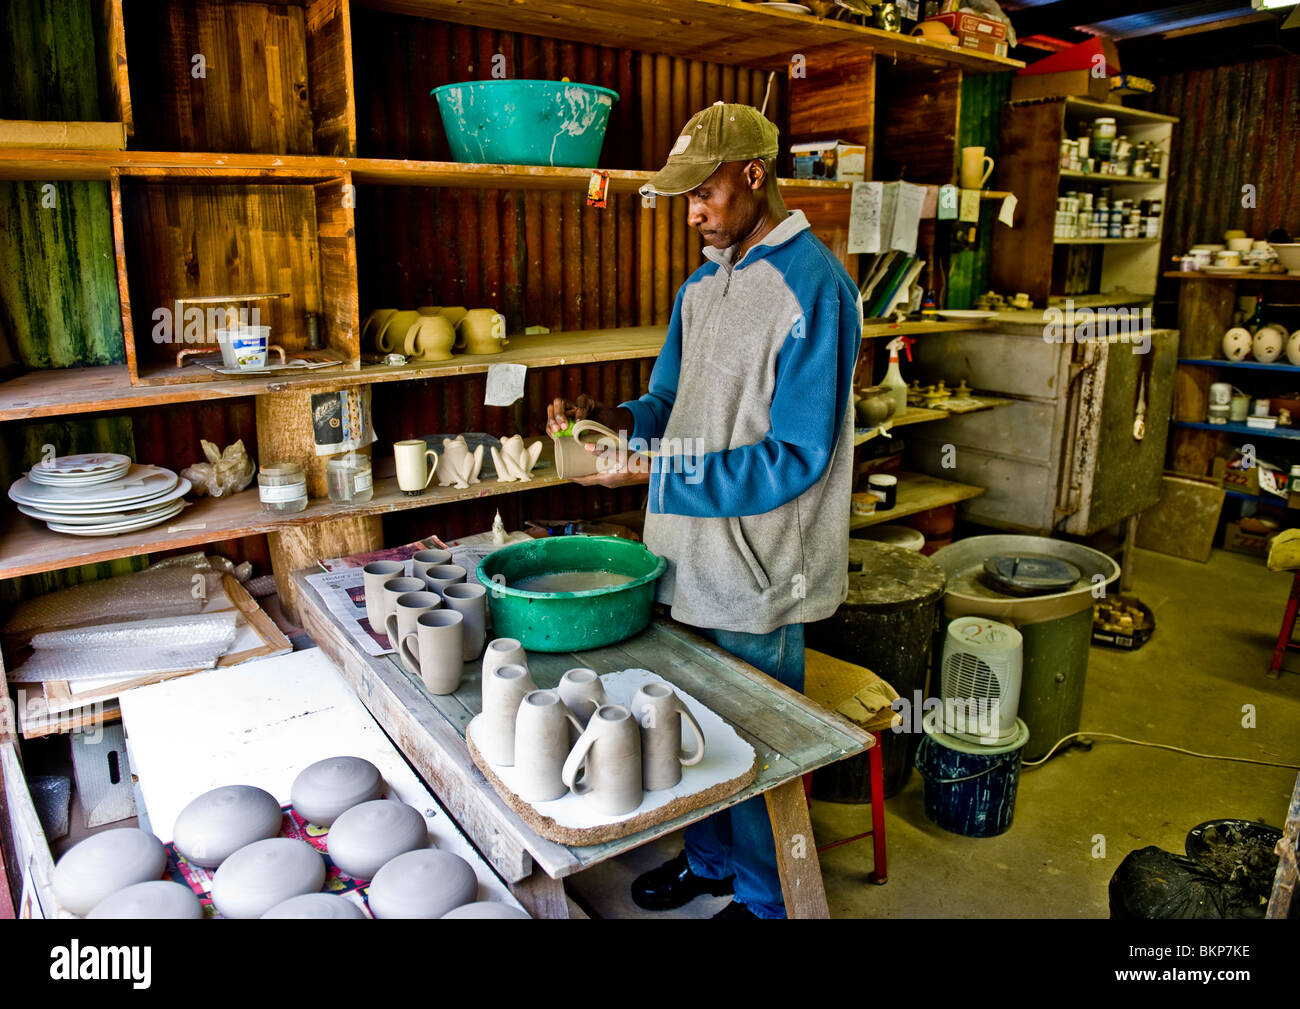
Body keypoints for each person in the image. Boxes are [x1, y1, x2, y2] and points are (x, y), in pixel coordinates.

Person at [544, 102, 862, 919]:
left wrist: (653, 475)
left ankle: (764, 900)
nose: (691, 212)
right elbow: (667, 399)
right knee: (691, 730)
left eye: (704, 193)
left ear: (754, 175)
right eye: (683, 196)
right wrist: (619, 425)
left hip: (756, 571)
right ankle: (711, 860)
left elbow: (796, 457)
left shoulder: (815, 289)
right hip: (681, 557)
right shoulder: (702, 282)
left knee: (755, 753)